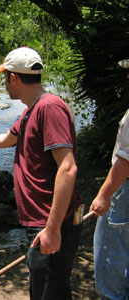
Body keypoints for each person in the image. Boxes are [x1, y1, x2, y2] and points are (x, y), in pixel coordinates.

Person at [0, 47, 83, 300]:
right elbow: (8, 139)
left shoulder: (49, 108)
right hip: (42, 221)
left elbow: (68, 168)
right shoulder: (32, 109)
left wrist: (52, 228)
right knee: (45, 288)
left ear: (13, 78)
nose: (3, 84)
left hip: (51, 221)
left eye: (4, 77)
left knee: (50, 292)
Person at [90, 59, 129, 300]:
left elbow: (125, 161)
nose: (127, 77)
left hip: (124, 191)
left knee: (109, 257)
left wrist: (104, 195)